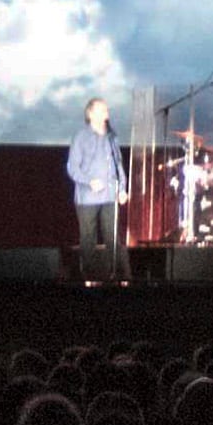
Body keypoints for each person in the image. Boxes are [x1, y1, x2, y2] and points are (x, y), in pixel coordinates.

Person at [65, 96, 126, 285]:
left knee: (112, 237)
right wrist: (89, 181)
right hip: (87, 197)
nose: (106, 112)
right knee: (88, 238)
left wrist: (122, 188)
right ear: (90, 113)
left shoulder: (111, 136)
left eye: (107, 109)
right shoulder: (81, 137)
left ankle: (120, 277)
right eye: (102, 109)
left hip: (109, 195)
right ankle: (90, 278)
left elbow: (119, 164)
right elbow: (72, 168)